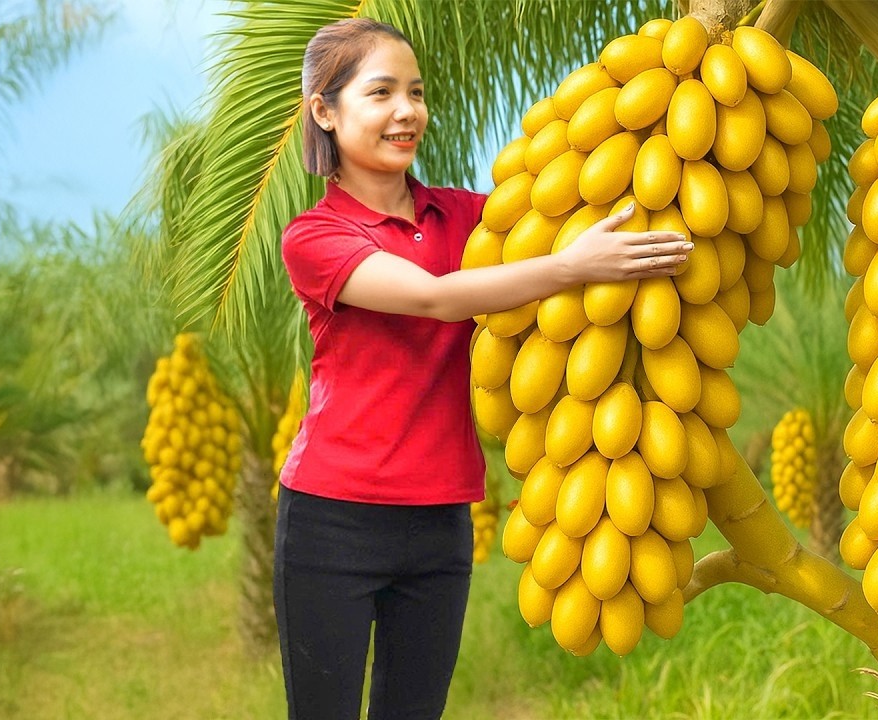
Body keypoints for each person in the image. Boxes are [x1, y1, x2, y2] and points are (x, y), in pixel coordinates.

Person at [274, 17, 692, 720]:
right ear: (325, 109)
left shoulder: (469, 218)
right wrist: (568, 267)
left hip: (440, 520)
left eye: (416, 92)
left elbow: (573, 202)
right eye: (380, 93)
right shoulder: (314, 236)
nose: (406, 111)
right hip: (332, 521)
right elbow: (434, 300)